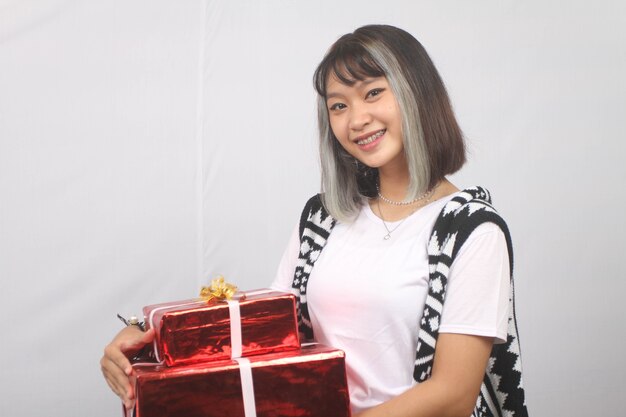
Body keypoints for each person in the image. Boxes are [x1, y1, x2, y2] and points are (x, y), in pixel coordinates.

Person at [101, 24, 527, 417]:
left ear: (417, 93)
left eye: (374, 93)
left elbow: (453, 396)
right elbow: (266, 330)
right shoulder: (323, 218)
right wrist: (151, 336)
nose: (356, 119)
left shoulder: (472, 230)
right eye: (338, 105)